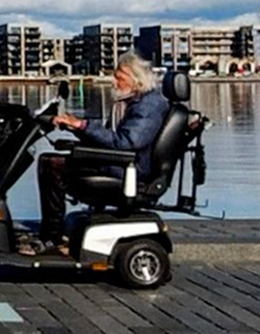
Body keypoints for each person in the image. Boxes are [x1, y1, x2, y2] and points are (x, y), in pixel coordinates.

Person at [32, 51, 170, 254]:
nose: (114, 82)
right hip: (122, 162)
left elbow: (127, 142)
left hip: (131, 169)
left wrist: (83, 126)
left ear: (136, 80)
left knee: (52, 164)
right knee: (50, 160)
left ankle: (52, 237)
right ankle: (53, 234)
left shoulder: (149, 105)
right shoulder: (132, 102)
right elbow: (109, 139)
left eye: (119, 78)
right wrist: (76, 127)